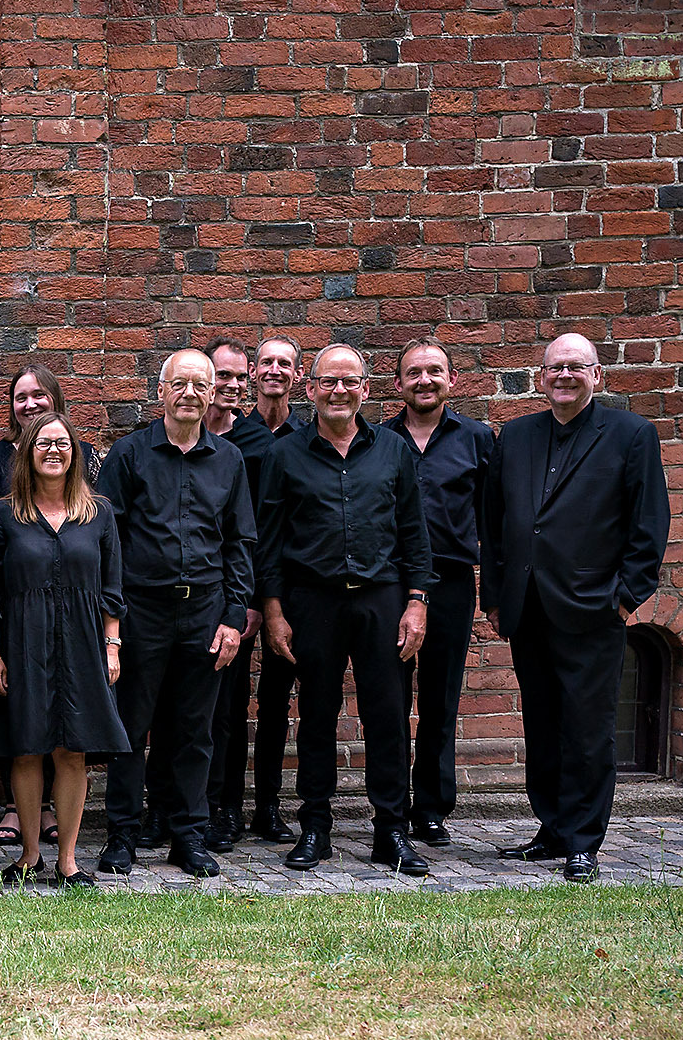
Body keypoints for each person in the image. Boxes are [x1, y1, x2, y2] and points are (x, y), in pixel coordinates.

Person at [481, 333, 668, 883]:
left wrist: (625, 596)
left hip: (592, 608)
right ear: (541, 377)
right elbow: (493, 523)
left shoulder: (631, 435)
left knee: (588, 729)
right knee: (542, 723)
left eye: (575, 367)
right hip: (527, 606)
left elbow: (648, 523)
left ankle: (584, 840)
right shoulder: (515, 436)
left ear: (597, 376)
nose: (563, 376)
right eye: (554, 367)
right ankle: (553, 829)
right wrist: (494, 595)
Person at [256, 344, 433, 875]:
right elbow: (268, 540)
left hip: (382, 598)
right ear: (310, 390)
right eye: (328, 382)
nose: (339, 391)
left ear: (366, 389)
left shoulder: (394, 451)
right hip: (313, 601)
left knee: (387, 716)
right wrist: (272, 610)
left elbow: (413, 533)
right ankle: (315, 828)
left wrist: (417, 602)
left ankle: (391, 833)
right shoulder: (283, 455)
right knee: (315, 717)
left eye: (349, 381)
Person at [94, 350, 252, 879]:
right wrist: (112, 619)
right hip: (142, 610)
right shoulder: (130, 454)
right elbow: (106, 541)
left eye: (199, 385)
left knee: (194, 730)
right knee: (129, 727)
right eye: (178, 384)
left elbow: (240, 542)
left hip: (205, 612)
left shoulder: (229, 460)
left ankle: (189, 836)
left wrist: (233, 615)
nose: (189, 394)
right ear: (160, 391)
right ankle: (122, 836)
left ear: (213, 395)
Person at [0, 412, 127, 886]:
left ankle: (67, 858)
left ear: (76, 453)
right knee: (26, 750)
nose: (53, 450)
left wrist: (112, 645)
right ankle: (30, 853)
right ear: (27, 452)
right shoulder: (3, 515)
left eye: (63, 443)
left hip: (84, 642)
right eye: (43, 443)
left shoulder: (100, 512)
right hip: (23, 640)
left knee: (73, 751)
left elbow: (112, 587)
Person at [385, 338, 497, 848]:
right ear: (398, 384)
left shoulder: (478, 440)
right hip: (390, 584)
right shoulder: (379, 440)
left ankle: (430, 808)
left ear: (453, 380)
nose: (424, 380)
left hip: (451, 584)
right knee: (389, 698)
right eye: (414, 373)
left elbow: (495, 522)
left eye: (435, 371)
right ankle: (388, 806)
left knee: (440, 700)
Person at [201, 336, 294, 851]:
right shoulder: (204, 439)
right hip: (220, 594)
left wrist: (260, 600)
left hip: (264, 590)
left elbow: (267, 528)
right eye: (224, 377)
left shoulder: (268, 442)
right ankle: (219, 807)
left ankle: (258, 806)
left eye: (239, 378)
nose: (232, 386)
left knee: (272, 703)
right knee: (223, 708)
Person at [0, 362, 71, 851]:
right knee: (20, 714)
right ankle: (19, 807)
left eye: (40, 394)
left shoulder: (82, 458)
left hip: (67, 603)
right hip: (17, 594)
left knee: (62, 718)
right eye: (21, 396)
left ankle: (53, 811)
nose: (30, 403)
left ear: (55, 400)